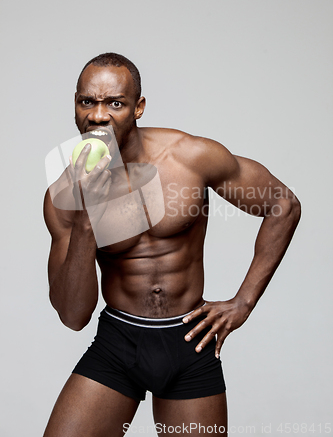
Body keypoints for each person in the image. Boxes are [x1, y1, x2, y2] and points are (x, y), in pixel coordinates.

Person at [43, 53, 301, 437]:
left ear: (138, 107)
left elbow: (283, 205)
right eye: (87, 102)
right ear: (75, 105)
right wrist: (86, 221)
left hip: (189, 342)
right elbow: (73, 315)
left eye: (115, 103)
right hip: (119, 343)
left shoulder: (189, 157)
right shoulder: (63, 194)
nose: (98, 116)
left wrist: (244, 301)